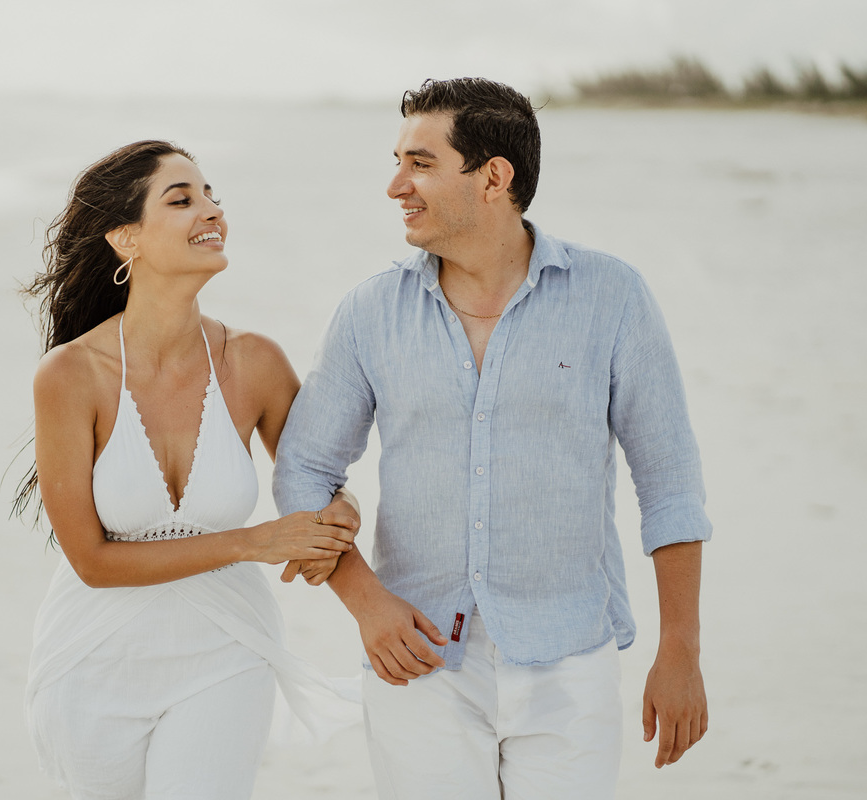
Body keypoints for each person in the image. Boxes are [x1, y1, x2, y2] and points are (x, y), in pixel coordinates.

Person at [273, 77, 712, 799]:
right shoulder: (371, 312)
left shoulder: (613, 297)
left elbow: (670, 483)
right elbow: (304, 470)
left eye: (420, 162)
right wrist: (366, 603)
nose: (395, 185)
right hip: (417, 659)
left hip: (571, 656)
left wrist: (680, 650)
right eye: (397, 160)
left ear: (494, 178)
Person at [16, 140, 360, 799]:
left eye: (212, 196)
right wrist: (256, 542)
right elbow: (91, 559)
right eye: (182, 199)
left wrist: (340, 514)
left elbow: (320, 489)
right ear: (127, 239)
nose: (211, 211)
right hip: (93, 658)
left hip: (226, 647)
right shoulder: (70, 376)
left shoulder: (256, 363)